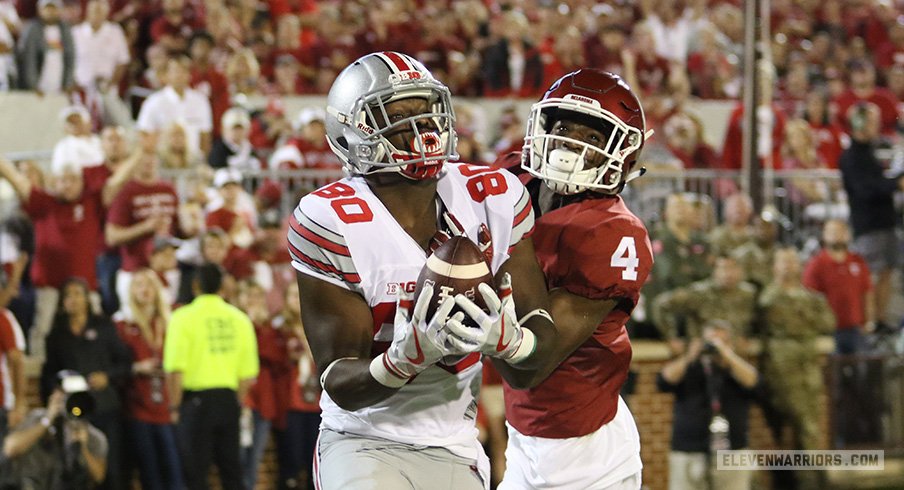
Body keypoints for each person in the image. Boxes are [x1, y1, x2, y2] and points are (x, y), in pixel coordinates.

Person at [288, 51, 555, 489]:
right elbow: (340, 381)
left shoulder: (491, 195)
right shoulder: (331, 219)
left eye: (426, 109)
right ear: (352, 130)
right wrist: (401, 360)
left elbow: (537, 360)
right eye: (398, 113)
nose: (423, 126)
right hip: (364, 441)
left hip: (456, 443)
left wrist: (513, 344)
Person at [480, 69, 653, 489]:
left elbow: (530, 365)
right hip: (526, 440)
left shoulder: (612, 232)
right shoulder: (514, 176)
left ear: (622, 153)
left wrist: (509, 230)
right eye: (563, 128)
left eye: (593, 138)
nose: (571, 145)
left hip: (588, 454)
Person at [163, 263, 259, 490]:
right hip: (228, 401)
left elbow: (175, 370)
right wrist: (235, 402)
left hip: (195, 404)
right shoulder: (240, 319)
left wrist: (175, 408)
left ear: (195, 285)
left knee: (196, 473)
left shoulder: (182, 317)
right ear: (222, 287)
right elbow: (247, 375)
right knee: (232, 472)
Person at [40, 278, 131, 490]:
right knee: (76, 470)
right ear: (62, 302)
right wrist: (58, 387)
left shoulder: (104, 327)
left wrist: (107, 376)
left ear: (87, 299)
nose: (73, 299)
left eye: (77, 294)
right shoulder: (56, 336)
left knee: (111, 469)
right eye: (68, 295)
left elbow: (125, 363)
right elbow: (49, 374)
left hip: (105, 408)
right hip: (74, 413)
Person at [759, 247, 834, 490]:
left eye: (793, 261)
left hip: (807, 370)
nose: (789, 266)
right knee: (782, 433)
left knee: (810, 431)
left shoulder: (812, 297)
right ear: (774, 266)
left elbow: (828, 321)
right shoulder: (767, 298)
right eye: (784, 261)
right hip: (779, 372)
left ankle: (810, 482)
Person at [657, 320, 761, 490]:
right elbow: (664, 381)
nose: (715, 347)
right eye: (711, 341)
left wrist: (727, 356)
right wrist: (691, 355)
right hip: (688, 450)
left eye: (722, 341)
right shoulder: (690, 366)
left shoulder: (736, 369)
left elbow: (755, 383)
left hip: (732, 453)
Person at [838, 102, 904, 330]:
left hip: (886, 220)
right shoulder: (852, 157)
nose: (877, 126)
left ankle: (881, 319)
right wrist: (895, 183)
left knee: (887, 271)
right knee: (871, 276)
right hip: (868, 223)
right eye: (873, 121)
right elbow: (866, 189)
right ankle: (868, 321)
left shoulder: (869, 152)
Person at [115, 269, 182, 490]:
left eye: (149, 284)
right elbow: (114, 366)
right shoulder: (123, 325)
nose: (145, 290)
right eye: (139, 285)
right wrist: (136, 368)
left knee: (175, 474)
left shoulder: (169, 322)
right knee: (150, 475)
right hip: (138, 409)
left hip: (167, 408)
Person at [1, 372, 107, 489]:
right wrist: (47, 421)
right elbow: (10, 449)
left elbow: (98, 477)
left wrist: (82, 447)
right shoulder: (38, 418)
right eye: (67, 395)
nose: (73, 403)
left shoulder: (93, 436)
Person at [652, 255, 757, 355]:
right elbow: (661, 304)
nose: (728, 274)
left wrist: (745, 336)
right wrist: (671, 338)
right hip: (703, 355)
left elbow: (750, 321)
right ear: (714, 271)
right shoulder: (699, 292)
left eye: (733, 268)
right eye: (724, 268)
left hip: (733, 356)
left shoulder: (747, 294)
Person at [803, 219, 874, 354]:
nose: (836, 235)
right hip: (828, 330)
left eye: (840, 231)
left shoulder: (857, 261)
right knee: (833, 371)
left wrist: (869, 321)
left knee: (860, 369)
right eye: (832, 232)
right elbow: (809, 296)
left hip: (855, 329)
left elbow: (867, 292)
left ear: (848, 234)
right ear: (824, 235)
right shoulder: (816, 264)